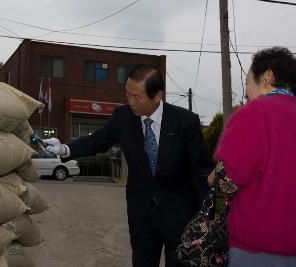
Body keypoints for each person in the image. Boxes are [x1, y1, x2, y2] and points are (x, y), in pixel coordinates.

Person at [45, 64, 213, 267]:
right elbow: (96, 141)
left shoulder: (185, 122)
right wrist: (64, 149)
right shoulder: (123, 118)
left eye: (137, 97)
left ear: (158, 96)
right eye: (127, 94)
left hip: (179, 217)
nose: (130, 101)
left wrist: (207, 218)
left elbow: (201, 172)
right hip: (142, 216)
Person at [208, 47, 296, 266]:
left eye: (248, 84)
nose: (246, 93)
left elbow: (228, 178)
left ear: (267, 77)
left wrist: (214, 177)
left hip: (257, 247)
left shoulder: (253, 113)